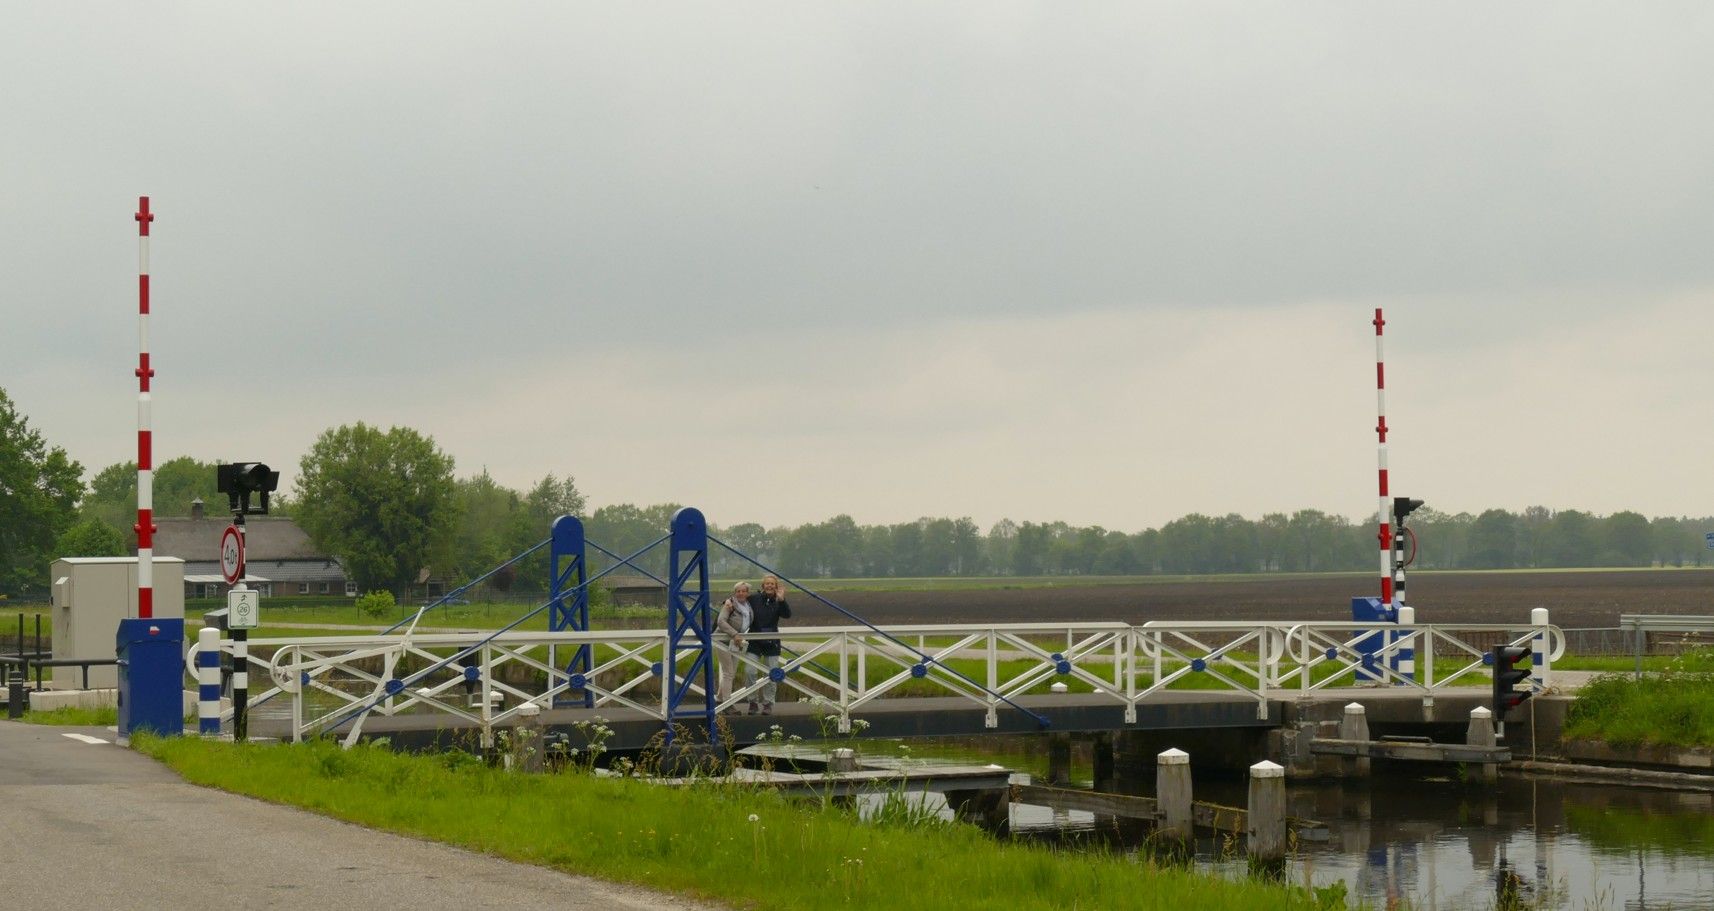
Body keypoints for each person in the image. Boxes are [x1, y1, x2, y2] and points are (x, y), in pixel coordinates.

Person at [745, 574, 792, 714]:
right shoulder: (754, 599)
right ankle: (752, 702)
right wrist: (727, 602)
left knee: (772, 674)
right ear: (763, 586)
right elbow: (739, 601)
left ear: (776, 587)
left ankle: (767, 704)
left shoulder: (779, 601)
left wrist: (782, 600)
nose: (769, 586)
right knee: (750, 671)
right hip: (754, 642)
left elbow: (787, 615)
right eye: (767, 583)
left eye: (772, 584)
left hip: (772, 643)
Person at [714, 582, 752, 714]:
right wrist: (734, 634)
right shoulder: (729, 605)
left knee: (731, 672)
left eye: (743, 591)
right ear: (734, 593)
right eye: (738, 591)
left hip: (735, 643)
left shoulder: (748, 605)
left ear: (747, 593)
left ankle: (719, 699)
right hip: (723, 641)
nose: (741, 593)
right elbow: (720, 621)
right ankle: (727, 704)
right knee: (728, 672)